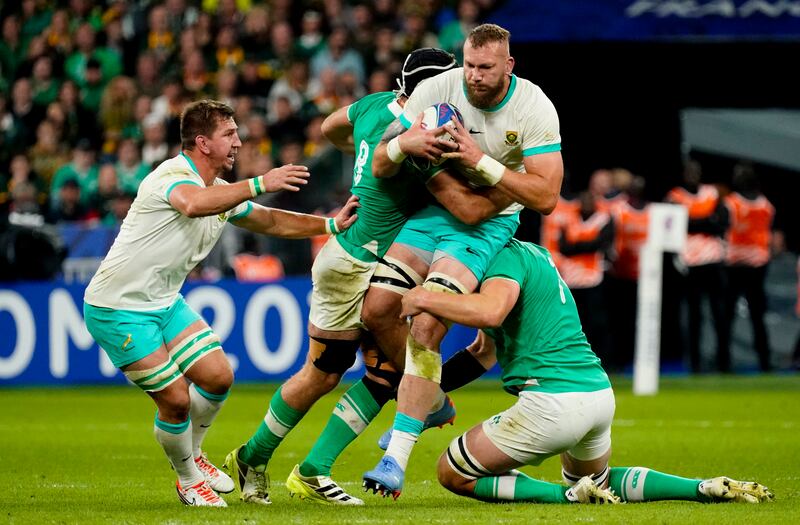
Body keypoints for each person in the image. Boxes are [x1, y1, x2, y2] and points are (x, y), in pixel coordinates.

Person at [224, 48, 506, 507]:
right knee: (323, 375)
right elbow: (464, 205)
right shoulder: (426, 131)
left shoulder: (375, 105)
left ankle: (310, 468)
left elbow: (330, 126)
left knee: (381, 373)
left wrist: (361, 146)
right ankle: (256, 456)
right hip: (356, 262)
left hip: (355, 254)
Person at [82, 100, 359, 507]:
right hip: (117, 307)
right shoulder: (172, 176)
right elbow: (192, 204)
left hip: (163, 302)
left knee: (217, 377)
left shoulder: (218, 190)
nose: (238, 142)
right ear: (202, 142)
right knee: (176, 399)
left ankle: (194, 454)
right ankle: (188, 480)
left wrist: (331, 225)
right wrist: (260, 181)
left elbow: (269, 220)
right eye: (229, 134)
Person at [398, 238, 774, 505]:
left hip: (551, 403)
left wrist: (424, 298)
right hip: (596, 393)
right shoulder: (535, 255)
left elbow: (491, 313)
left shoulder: (501, 259)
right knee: (599, 481)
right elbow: (483, 352)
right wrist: (424, 389)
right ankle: (702, 487)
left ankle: (566, 497)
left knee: (453, 472)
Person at [362, 23, 563, 496]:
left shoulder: (533, 106)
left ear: (508, 65)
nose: (474, 76)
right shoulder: (437, 89)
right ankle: (429, 403)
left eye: (486, 68)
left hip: (487, 225)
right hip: (433, 212)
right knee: (376, 311)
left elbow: (547, 197)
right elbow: (380, 163)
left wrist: (480, 161)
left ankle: (395, 460)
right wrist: (404, 144)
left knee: (428, 323)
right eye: (469, 65)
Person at [666, 160, 729, 373]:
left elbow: (721, 224)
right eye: (689, 172)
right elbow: (675, 226)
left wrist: (690, 221)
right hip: (689, 263)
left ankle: (724, 363)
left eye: (696, 171)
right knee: (694, 316)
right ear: (683, 174)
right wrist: (706, 221)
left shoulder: (712, 193)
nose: (693, 175)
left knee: (719, 313)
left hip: (713, 260)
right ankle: (695, 365)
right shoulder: (675, 196)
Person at [723, 163, 775, 371]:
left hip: (752, 267)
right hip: (739, 266)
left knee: (755, 316)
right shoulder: (735, 203)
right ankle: (724, 362)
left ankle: (764, 361)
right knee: (729, 316)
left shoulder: (761, 205)